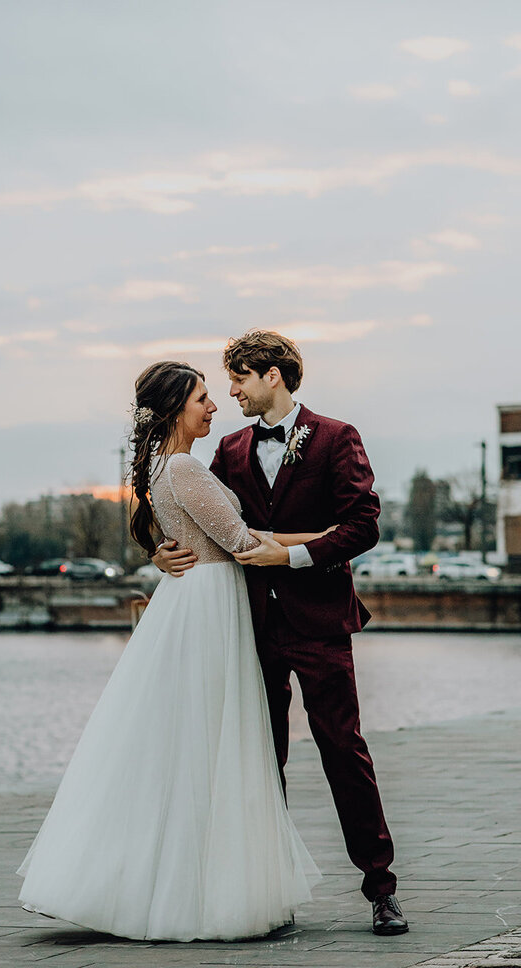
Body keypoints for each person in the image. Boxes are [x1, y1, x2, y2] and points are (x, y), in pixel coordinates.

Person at [18, 360, 328, 942]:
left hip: (195, 602)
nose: (214, 407)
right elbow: (240, 543)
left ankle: (174, 883)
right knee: (210, 743)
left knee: (187, 745)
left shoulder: (163, 466)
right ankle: (203, 893)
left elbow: (188, 533)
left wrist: (163, 551)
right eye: (203, 399)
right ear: (173, 409)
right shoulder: (183, 466)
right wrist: (327, 540)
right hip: (210, 606)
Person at [153, 329, 409, 937]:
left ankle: (382, 889)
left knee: (343, 751)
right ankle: (268, 892)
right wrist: (162, 556)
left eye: (239, 377)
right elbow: (207, 524)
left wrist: (291, 558)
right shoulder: (231, 450)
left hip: (320, 622)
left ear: (273, 375)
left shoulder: (336, 437)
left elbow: (363, 525)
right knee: (261, 759)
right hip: (250, 625)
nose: (231, 391)